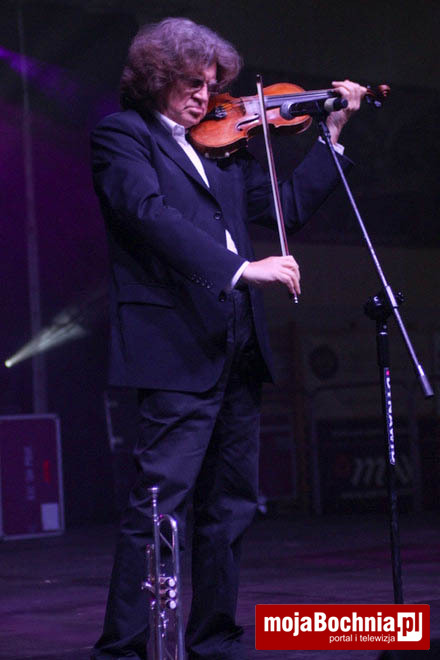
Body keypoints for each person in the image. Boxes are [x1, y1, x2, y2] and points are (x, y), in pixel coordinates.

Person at [90, 17, 364, 660]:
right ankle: (123, 649)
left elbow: (285, 210)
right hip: (175, 347)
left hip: (238, 347)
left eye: (211, 83)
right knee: (160, 506)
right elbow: (148, 215)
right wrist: (241, 269)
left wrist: (330, 136)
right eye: (192, 83)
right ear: (156, 78)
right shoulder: (123, 137)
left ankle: (214, 638)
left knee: (230, 506)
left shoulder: (226, 148)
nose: (204, 96)